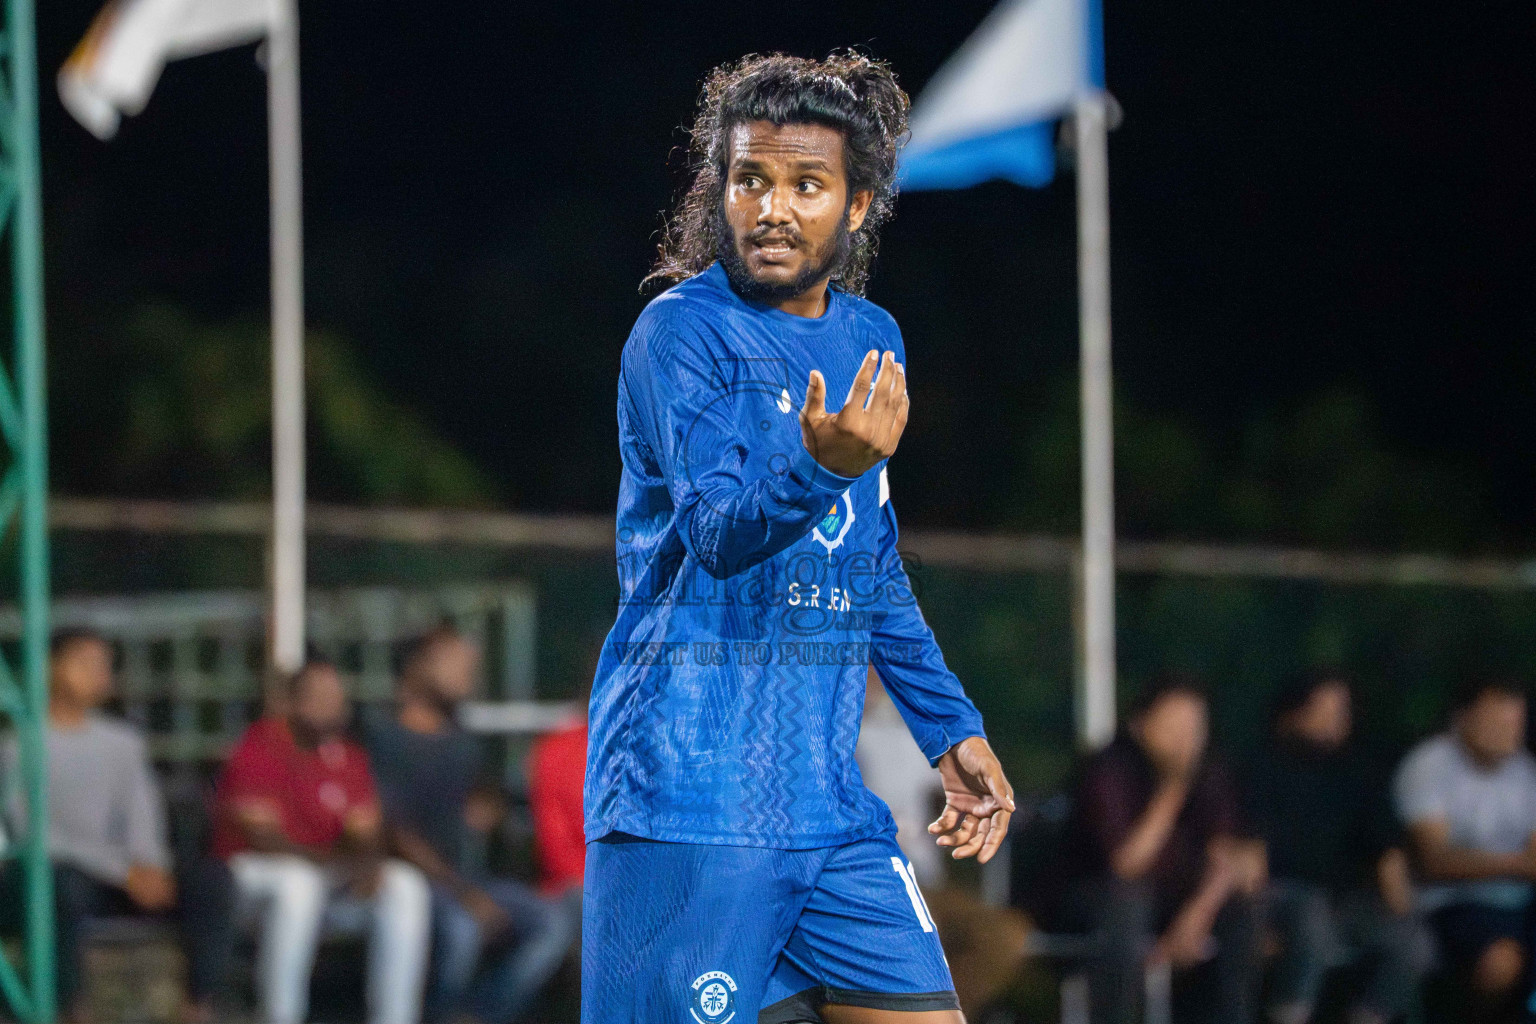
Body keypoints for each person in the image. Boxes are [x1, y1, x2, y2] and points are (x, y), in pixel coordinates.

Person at [584, 52, 1014, 1024]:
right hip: (686, 799)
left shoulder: (873, 338)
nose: (772, 209)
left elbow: (870, 562)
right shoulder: (679, 335)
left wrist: (948, 726)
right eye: (750, 179)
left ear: (858, 205)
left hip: (827, 809)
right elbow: (717, 531)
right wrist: (821, 467)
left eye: (806, 185)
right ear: (720, 190)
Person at [0, 628, 224, 1024]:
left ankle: (198, 1004)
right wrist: (122, 872)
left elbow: (142, 814)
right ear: (51, 667)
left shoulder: (123, 743)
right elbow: (30, 834)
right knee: (54, 885)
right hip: (66, 876)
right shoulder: (16, 745)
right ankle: (72, 1010)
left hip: (120, 878)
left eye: (104, 665)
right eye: (86, 663)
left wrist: (150, 866)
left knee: (212, 879)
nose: (99, 675)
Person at [365, 627, 568, 1024]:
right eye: (455, 662)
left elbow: (486, 800)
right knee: (463, 928)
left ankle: (478, 1015)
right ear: (418, 666)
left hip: (467, 879)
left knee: (550, 922)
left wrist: (490, 808)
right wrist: (464, 893)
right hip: (412, 885)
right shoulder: (383, 739)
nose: (467, 674)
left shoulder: (462, 740)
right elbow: (394, 833)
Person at [212, 659, 430, 1024]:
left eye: (337, 698)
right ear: (292, 702)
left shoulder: (346, 756)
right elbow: (261, 837)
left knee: (404, 884)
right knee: (299, 883)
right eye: (321, 697)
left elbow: (365, 829)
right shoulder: (259, 745)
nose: (333, 706)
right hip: (250, 882)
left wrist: (367, 864)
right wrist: (333, 863)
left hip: (325, 878)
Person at [1061, 672, 1261, 1024]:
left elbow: (1233, 859)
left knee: (1245, 911)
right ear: (1140, 724)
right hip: (1096, 896)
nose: (1186, 738)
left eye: (1195, 727)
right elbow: (1126, 864)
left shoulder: (1211, 774)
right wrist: (1173, 788)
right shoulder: (1109, 769)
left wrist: (1198, 913)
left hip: (1176, 899)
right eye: (1175, 724)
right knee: (1126, 907)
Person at [1248, 670, 1431, 1024]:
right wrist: (1255, 919)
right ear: (1293, 713)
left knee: (1414, 941)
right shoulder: (1261, 767)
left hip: (1346, 902)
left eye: (1342, 710)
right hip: (1281, 899)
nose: (1336, 719)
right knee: (1310, 916)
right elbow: (1249, 854)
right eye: (1325, 709)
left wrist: (1402, 910)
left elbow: (1387, 851)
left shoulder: (1358, 771)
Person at [1395, 676, 1536, 1021]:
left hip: (1519, 901)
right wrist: (1516, 865)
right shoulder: (1430, 765)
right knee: (1501, 962)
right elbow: (1434, 861)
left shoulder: (1523, 770)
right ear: (1463, 718)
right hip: (1450, 903)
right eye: (1498, 722)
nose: (1509, 732)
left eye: (1515, 723)